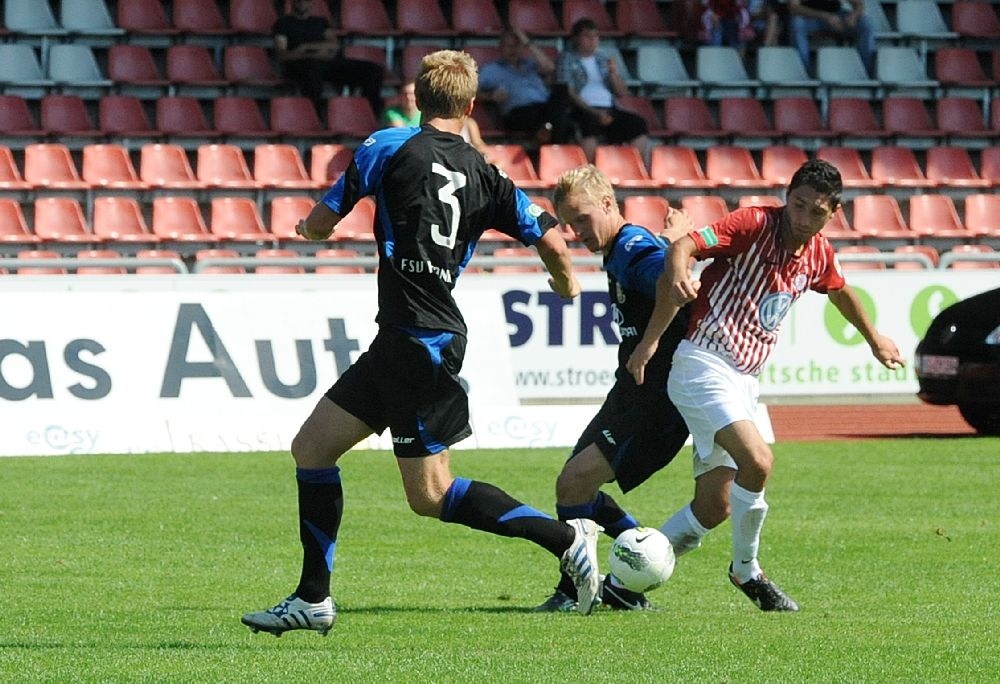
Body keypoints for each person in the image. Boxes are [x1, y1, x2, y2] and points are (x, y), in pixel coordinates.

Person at [241, 50, 601, 637]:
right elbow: (554, 242)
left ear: (417, 95)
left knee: (431, 496)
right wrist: (565, 285)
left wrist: (308, 229)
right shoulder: (487, 174)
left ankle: (568, 541)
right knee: (312, 448)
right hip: (409, 337)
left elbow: (324, 218)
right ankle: (312, 600)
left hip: (421, 341)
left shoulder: (386, 145)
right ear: (469, 105)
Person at [626, 159, 905, 611]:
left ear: (832, 214)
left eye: (816, 212)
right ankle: (746, 570)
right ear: (786, 196)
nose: (802, 218)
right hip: (702, 363)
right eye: (797, 204)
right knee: (758, 460)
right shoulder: (755, 222)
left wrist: (875, 338)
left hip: (743, 380)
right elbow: (685, 245)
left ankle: (628, 578)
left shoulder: (818, 253)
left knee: (714, 506)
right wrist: (678, 274)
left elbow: (838, 289)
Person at [534, 164, 692, 613]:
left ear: (608, 203)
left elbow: (672, 282)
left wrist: (647, 344)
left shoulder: (630, 247)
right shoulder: (621, 248)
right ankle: (631, 571)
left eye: (582, 218)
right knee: (572, 489)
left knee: (574, 483)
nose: (576, 231)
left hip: (654, 400)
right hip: (631, 392)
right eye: (569, 223)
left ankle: (577, 591)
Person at [554, 18, 650, 163]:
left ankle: (634, 168)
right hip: (583, 109)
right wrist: (596, 113)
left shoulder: (603, 59)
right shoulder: (566, 59)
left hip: (609, 109)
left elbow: (622, 92)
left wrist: (613, 73)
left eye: (595, 36)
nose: (592, 40)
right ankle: (589, 175)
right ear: (576, 38)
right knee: (588, 127)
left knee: (638, 125)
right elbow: (568, 91)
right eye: (587, 36)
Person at [273, 0, 384, 118]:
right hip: (302, 65)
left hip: (328, 63)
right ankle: (315, 117)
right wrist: (311, 54)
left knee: (373, 70)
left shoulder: (321, 22)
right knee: (312, 71)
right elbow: (283, 54)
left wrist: (306, 47)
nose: (302, 3)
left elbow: (334, 44)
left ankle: (370, 115)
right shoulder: (283, 24)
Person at [478, 29, 571, 144]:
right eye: (509, 46)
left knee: (562, 89)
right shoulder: (491, 69)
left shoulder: (531, 64)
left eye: (516, 46)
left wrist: (528, 43)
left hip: (543, 107)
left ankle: (546, 131)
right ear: (501, 47)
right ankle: (550, 134)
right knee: (561, 121)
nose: (513, 50)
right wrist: (490, 96)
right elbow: (469, 92)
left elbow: (550, 68)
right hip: (517, 112)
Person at [385, 80, 490, 158]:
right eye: (405, 94)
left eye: (412, 94)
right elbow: (401, 134)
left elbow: (479, 145)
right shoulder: (393, 112)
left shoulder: (470, 123)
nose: (409, 98)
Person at [786, 0, 876, 77]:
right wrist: (825, 16)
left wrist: (854, 16)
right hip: (810, 17)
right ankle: (803, 73)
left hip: (836, 15)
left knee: (866, 23)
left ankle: (866, 72)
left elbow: (858, 4)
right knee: (797, 23)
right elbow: (793, 7)